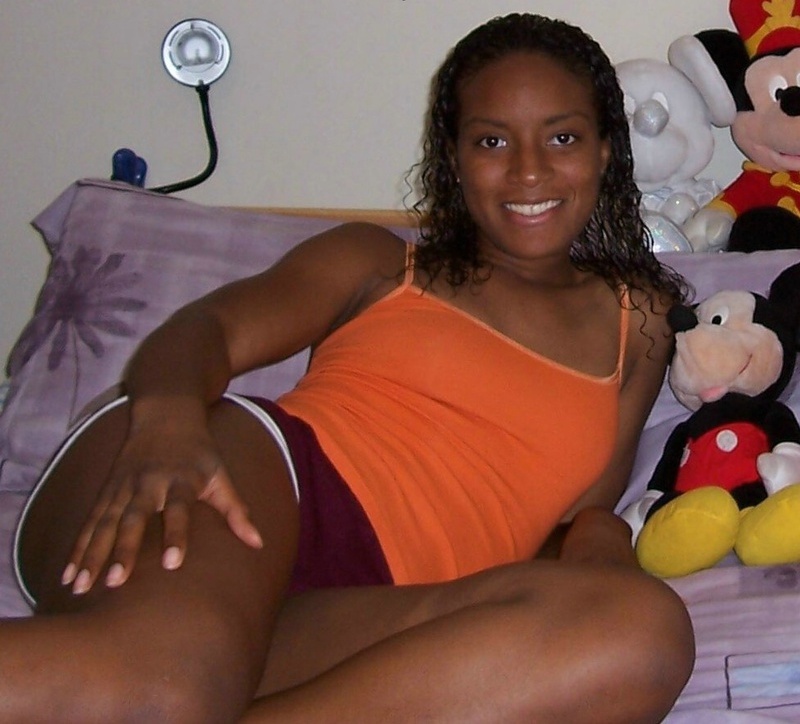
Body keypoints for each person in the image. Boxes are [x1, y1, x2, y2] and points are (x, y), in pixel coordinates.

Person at [3, 12, 694, 723]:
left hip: (369, 606)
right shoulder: (378, 262)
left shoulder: (640, 319)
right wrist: (168, 426)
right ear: (454, 158)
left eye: (562, 137)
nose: (528, 170)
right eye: (491, 140)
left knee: (640, 633)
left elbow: (580, 518)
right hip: (243, 482)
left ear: (605, 150)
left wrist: (602, 541)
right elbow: (207, 330)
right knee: (159, 690)